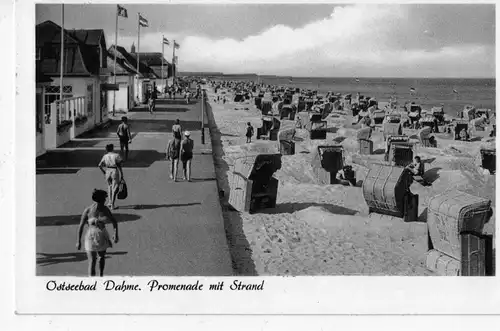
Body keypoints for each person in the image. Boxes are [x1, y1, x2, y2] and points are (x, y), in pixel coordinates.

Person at [76, 189, 118, 277]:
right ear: (99, 200)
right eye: (104, 199)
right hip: (90, 238)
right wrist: (78, 241)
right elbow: (81, 225)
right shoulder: (88, 210)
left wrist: (115, 234)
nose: (105, 201)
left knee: (101, 258)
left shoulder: (105, 209)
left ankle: (101, 276)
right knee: (92, 261)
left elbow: (114, 221)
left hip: (102, 237)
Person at [98, 144, 124, 210]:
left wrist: (103, 171)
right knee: (114, 188)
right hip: (114, 171)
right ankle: (112, 205)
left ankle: (109, 202)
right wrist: (122, 174)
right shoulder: (116, 155)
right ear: (112, 148)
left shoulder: (105, 156)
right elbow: (120, 164)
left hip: (107, 171)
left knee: (109, 186)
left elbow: (99, 165)